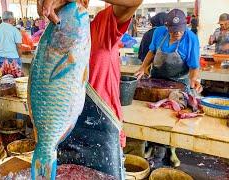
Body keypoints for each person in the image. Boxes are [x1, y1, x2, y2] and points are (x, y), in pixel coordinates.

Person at [38, 0, 142, 179]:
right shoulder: (50, 38)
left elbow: (133, 2)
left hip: (101, 134)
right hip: (61, 136)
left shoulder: (102, 25)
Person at [135, 9, 202, 168]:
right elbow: (151, 51)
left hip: (178, 83)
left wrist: (194, 79)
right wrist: (143, 67)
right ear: (167, 27)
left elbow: (194, 66)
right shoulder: (159, 33)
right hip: (156, 81)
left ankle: (172, 150)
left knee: (171, 119)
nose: (176, 34)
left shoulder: (191, 38)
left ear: (185, 26)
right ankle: (151, 145)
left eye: (179, 31)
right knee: (151, 115)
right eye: (173, 31)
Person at [0, 11, 23, 77]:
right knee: (15, 79)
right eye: (13, 19)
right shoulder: (15, 30)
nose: (13, 21)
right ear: (9, 20)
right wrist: (19, 56)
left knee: (1, 79)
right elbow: (19, 46)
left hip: (0, 57)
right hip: (14, 58)